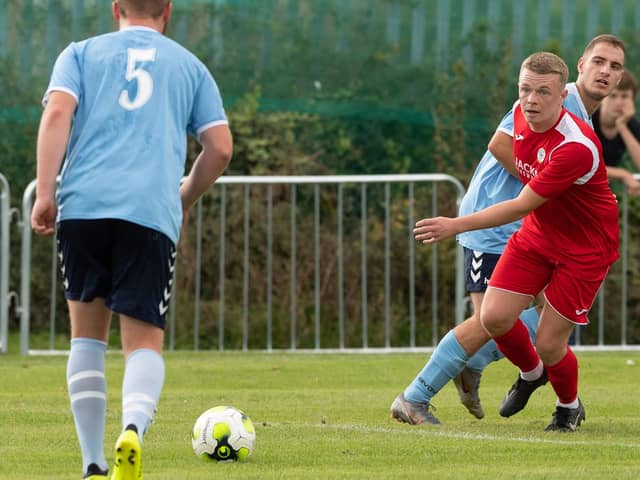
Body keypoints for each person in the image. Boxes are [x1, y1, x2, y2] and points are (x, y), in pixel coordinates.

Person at [30, 1, 232, 479]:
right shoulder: (189, 65)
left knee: (87, 337)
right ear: (167, 10)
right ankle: (134, 431)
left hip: (83, 206)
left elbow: (58, 112)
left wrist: (44, 190)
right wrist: (185, 194)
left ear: (115, 8)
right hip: (148, 211)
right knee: (142, 342)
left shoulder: (79, 53)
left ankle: (92, 463)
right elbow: (220, 147)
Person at [390, 34, 625, 426]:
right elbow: (500, 145)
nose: (605, 71)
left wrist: (549, 192)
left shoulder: (577, 118)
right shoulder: (551, 96)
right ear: (580, 64)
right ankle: (417, 396)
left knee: (536, 322)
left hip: (528, 222)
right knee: (493, 322)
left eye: (615, 66)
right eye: (598, 61)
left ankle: (488, 367)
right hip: (496, 220)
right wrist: (544, 189)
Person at [593, 70, 640, 194]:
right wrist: (622, 174)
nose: (619, 102)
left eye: (624, 96)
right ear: (602, 97)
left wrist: (622, 126)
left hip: (598, 189)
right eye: (613, 96)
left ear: (632, 100)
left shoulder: (630, 124)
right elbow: (581, 165)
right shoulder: (588, 120)